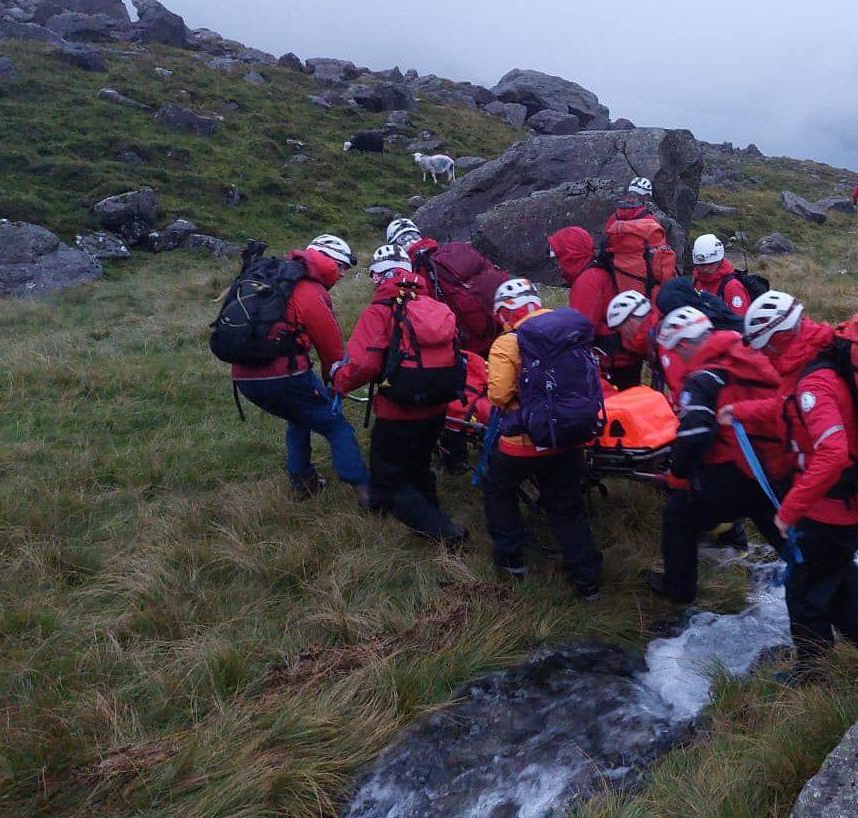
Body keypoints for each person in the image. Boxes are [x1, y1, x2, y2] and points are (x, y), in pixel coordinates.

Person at [717, 330, 858, 682]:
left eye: (763, 349)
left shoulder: (813, 384)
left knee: (805, 591)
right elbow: (786, 407)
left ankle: (815, 673)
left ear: (775, 342)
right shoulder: (816, 364)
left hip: (832, 511)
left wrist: (789, 509)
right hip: (850, 504)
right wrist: (742, 411)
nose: (763, 358)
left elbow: (833, 452)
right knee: (841, 583)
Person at [642, 307, 787, 602]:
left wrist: (678, 475)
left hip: (735, 469)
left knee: (678, 515)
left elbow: (695, 434)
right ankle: (827, 594)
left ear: (683, 344)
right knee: (787, 538)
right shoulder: (745, 355)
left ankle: (678, 589)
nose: (678, 359)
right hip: (774, 464)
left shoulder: (703, 377)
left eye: (676, 352)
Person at [330, 245, 469, 547]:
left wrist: (337, 382)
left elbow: (364, 364)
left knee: (387, 478)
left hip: (398, 411)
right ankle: (432, 517)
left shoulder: (381, 311)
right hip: (437, 405)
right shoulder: (433, 305)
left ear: (379, 277)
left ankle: (442, 533)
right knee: (419, 466)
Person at [481, 278, 604, 600]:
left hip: (523, 443)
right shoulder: (569, 328)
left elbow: (498, 394)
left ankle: (511, 559)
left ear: (507, 311)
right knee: (567, 506)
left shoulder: (508, 342)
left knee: (498, 488)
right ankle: (587, 578)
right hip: (568, 437)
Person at [231, 234, 370, 502]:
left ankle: (303, 483)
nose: (342, 274)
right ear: (325, 259)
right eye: (340, 266)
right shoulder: (309, 290)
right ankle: (364, 488)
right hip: (283, 375)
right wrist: (338, 383)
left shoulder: (273, 277)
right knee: (336, 426)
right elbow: (333, 353)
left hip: (243, 375)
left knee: (299, 416)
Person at [548, 225, 648, 389]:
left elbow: (579, 329)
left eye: (558, 256)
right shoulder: (597, 270)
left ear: (569, 255)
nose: (558, 264)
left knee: (615, 409)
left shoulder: (588, 280)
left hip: (612, 363)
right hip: (623, 357)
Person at [742, 291, 838, 390]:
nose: (765, 355)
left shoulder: (811, 383)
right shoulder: (805, 357)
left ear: (777, 341)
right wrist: (737, 406)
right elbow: (783, 403)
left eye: (765, 349)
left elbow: (786, 402)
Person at [689, 234, 752, 317]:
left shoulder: (732, 286)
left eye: (711, 264)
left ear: (719, 261)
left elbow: (739, 322)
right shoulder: (697, 280)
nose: (705, 269)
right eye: (701, 265)